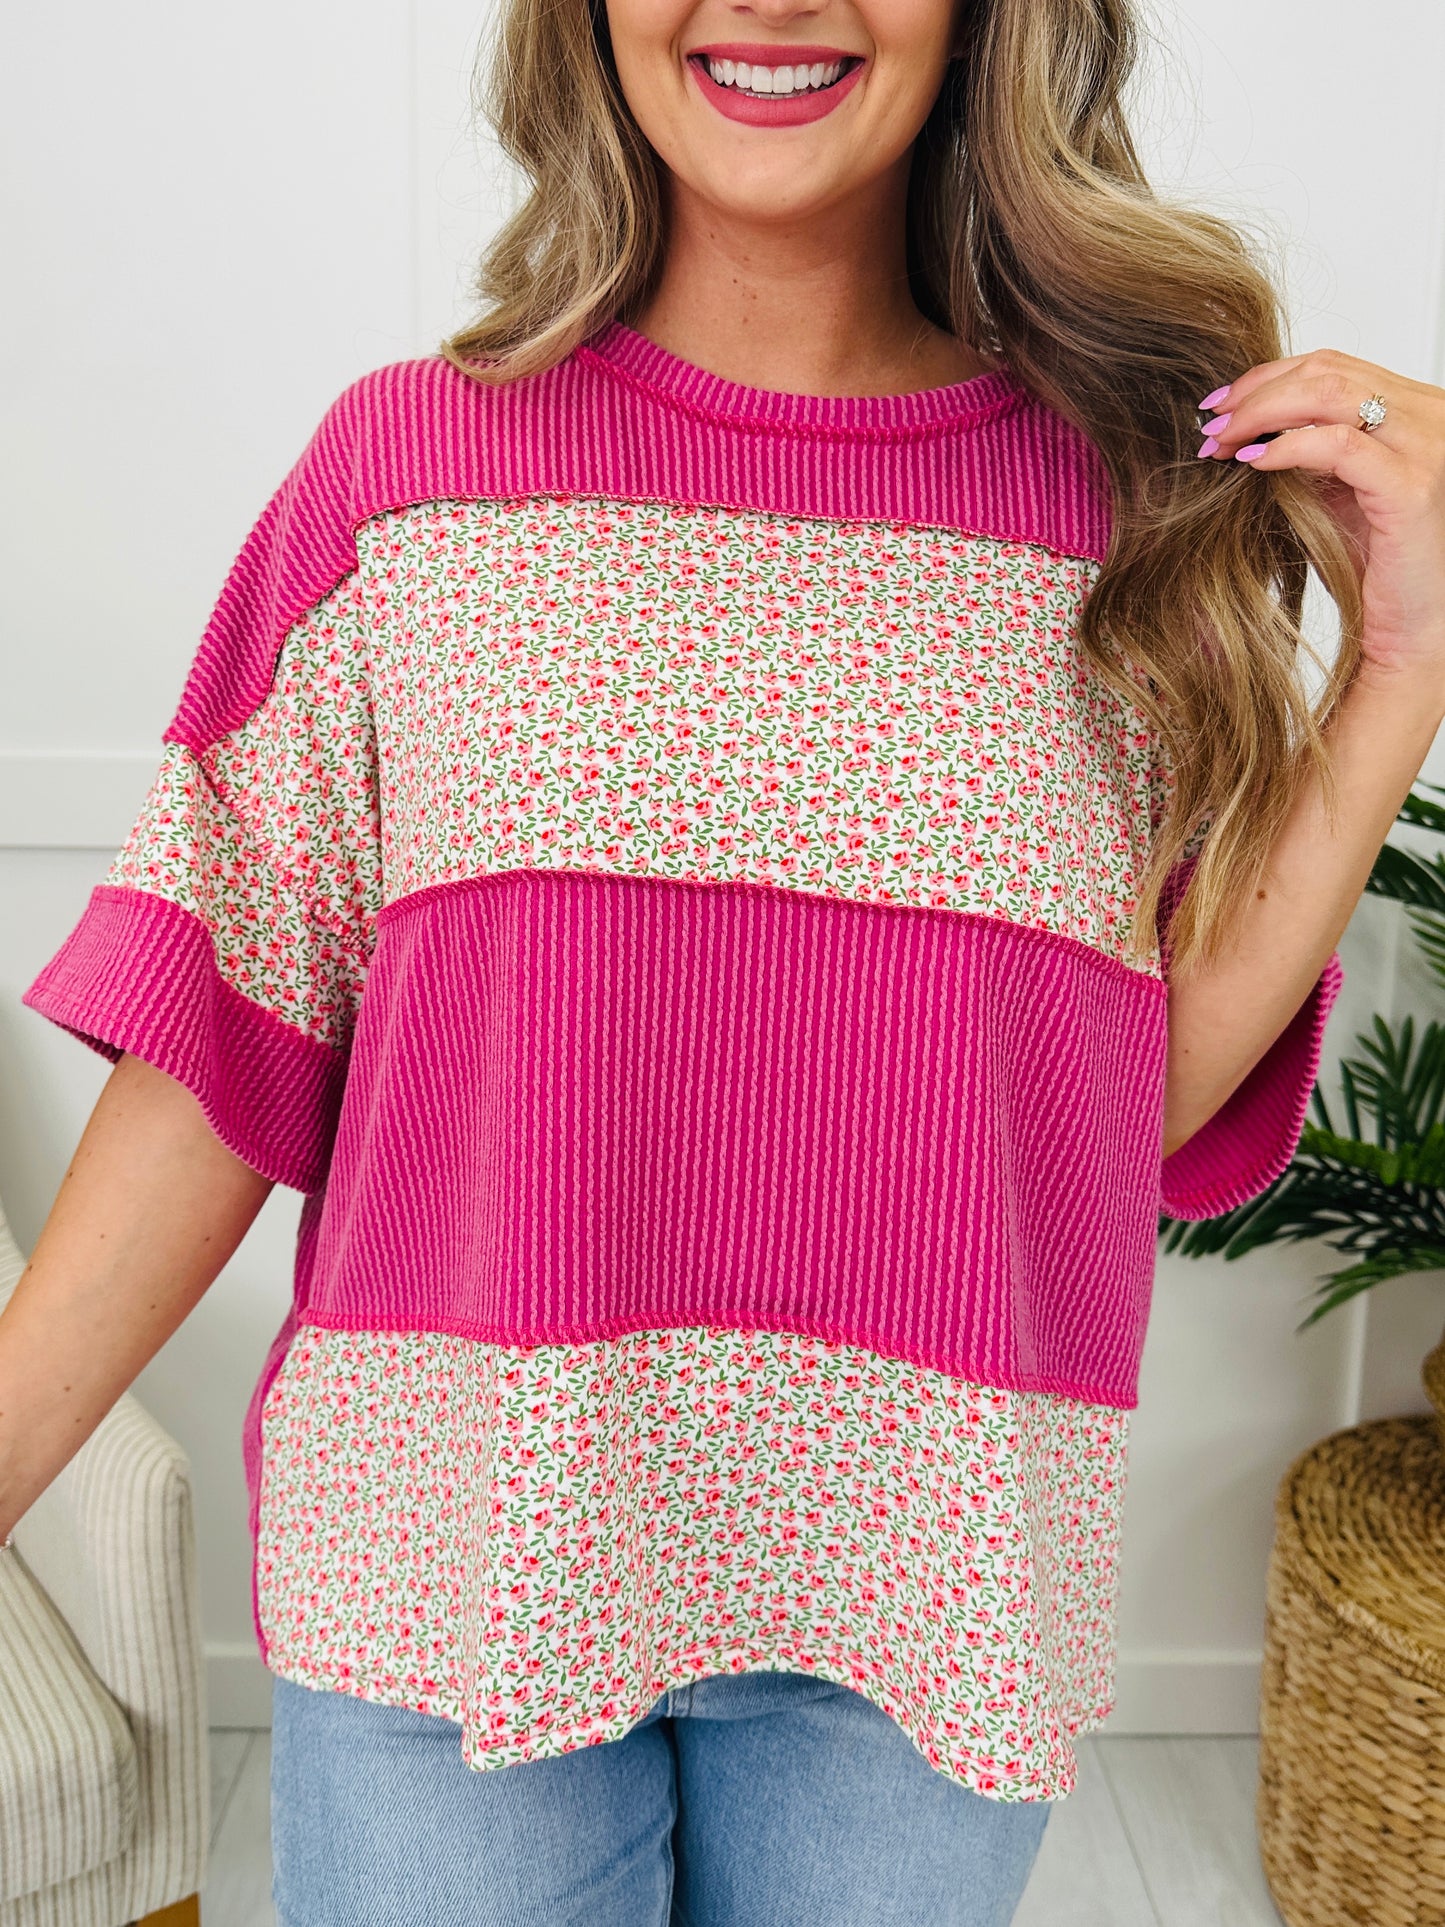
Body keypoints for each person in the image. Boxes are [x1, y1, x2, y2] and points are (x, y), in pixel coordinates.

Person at [5, 0, 1444, 1920]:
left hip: (925, 1581)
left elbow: (1124, 1085)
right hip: (457, 1563)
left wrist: (1403, 662)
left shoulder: (1128, 514)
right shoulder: (407, 469)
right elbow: (226, 1024)